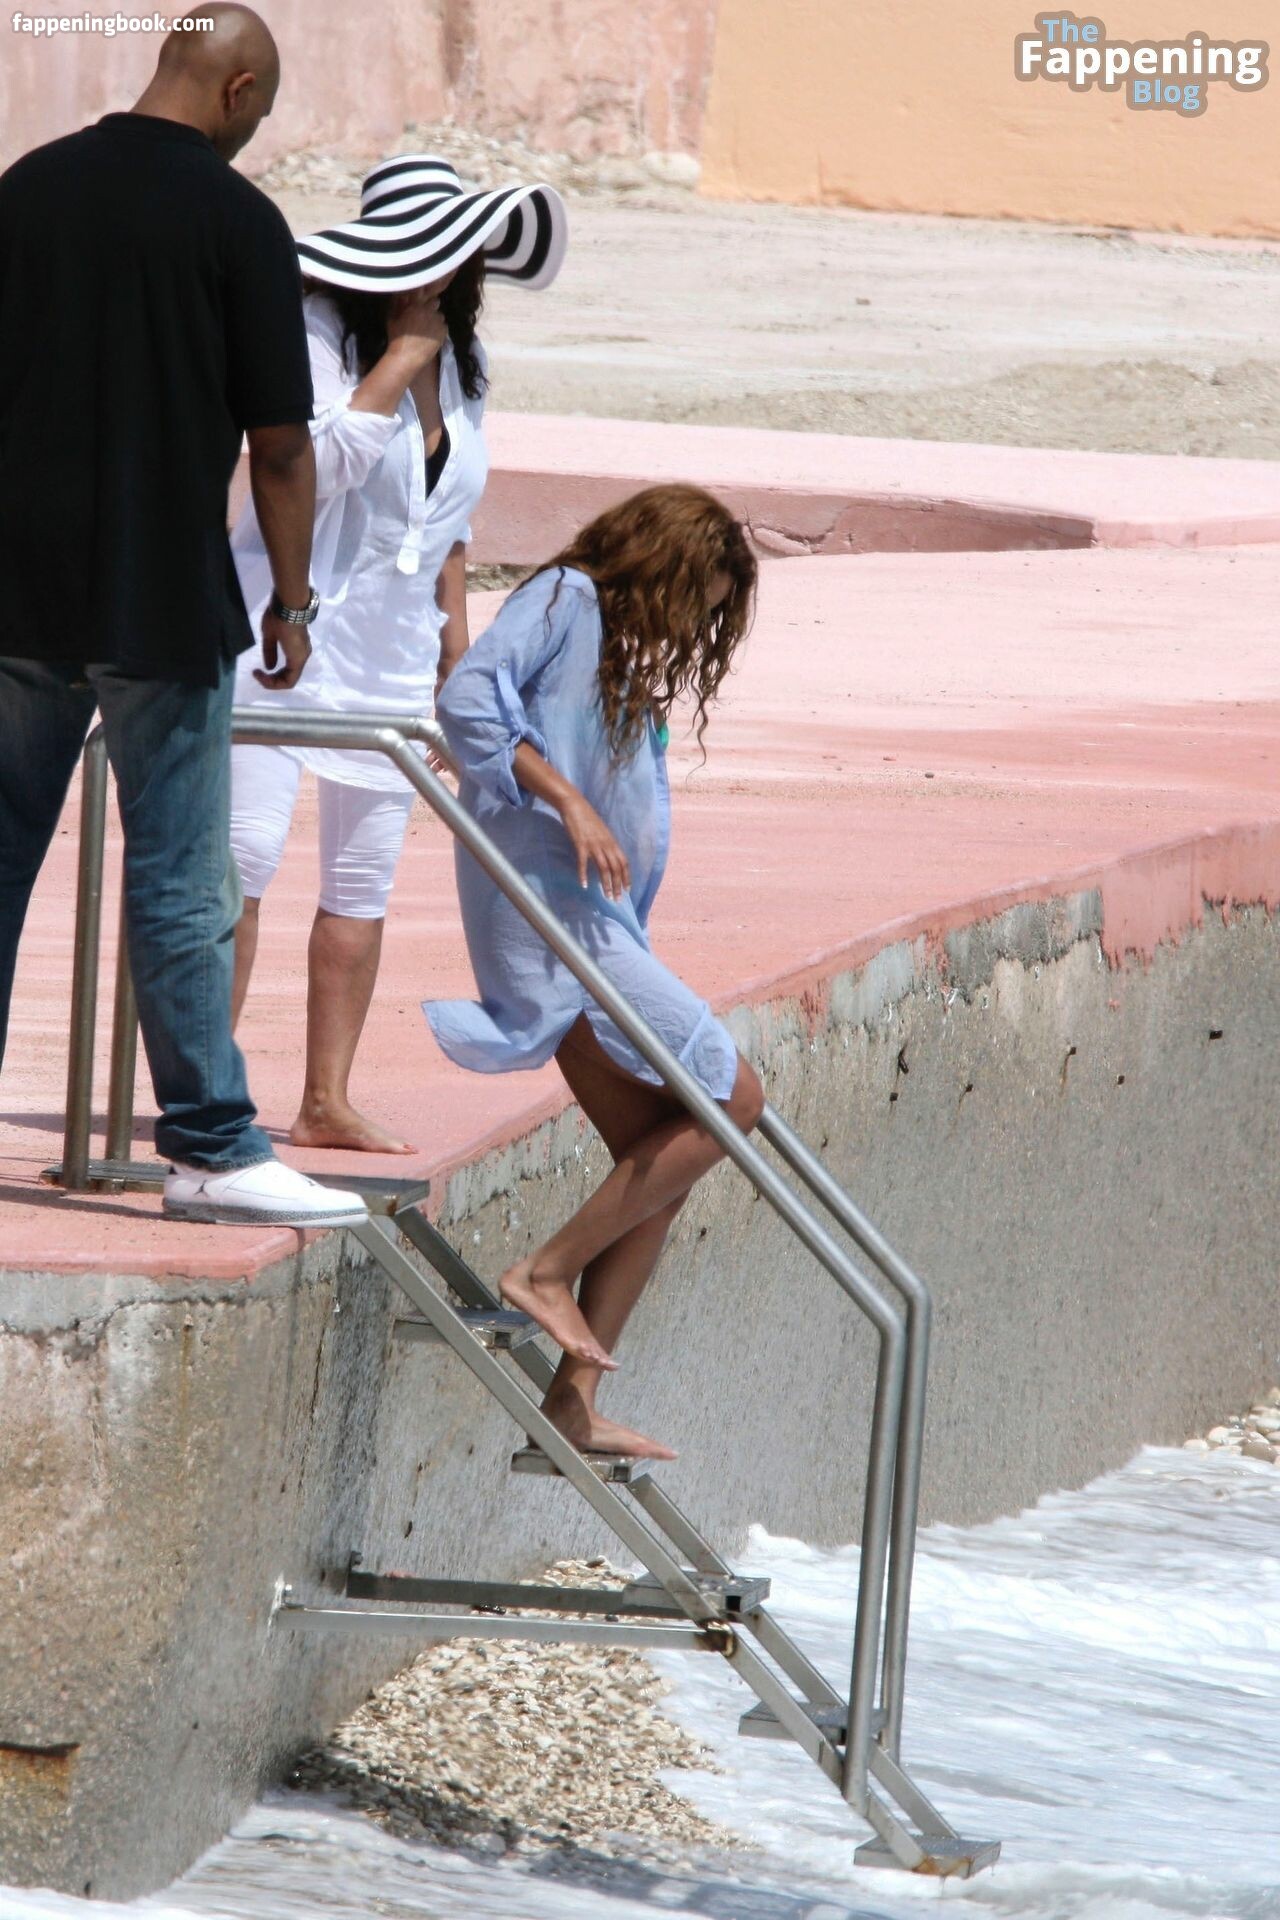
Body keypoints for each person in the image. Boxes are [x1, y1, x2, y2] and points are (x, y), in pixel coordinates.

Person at [0, 6, 365, 1227]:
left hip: (16, 595)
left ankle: (209, 1141)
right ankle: (208, 1145)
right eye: (261, 110)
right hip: (159, 603)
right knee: (179, 881)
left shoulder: (27, 188)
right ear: (238, 88)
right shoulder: (238, 221)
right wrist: (294, 602)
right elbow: (280, 443)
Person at [227, 154, 567, 1155]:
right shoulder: (316, 333)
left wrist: (456, 664)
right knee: (239, 863)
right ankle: (201, 1095)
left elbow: (448, 526)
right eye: (430, 254)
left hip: (391, 652)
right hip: (281, 631)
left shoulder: (464, 363)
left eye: (459, 255)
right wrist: (398, 361)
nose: (447, 273)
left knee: (362, 880)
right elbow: (305, 465)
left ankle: (323, 1099)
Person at [426, 486, 765, 1459]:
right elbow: (466, 698)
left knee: (664, 1158)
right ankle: (543, 1273)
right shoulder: (565, 597)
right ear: (659, 564)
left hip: (595, 921)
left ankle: (571, 1405)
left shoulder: (607, 636)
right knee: (731, 1098)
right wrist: (568, 799)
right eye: (693, 602)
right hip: (551, 914)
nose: (690, 629)